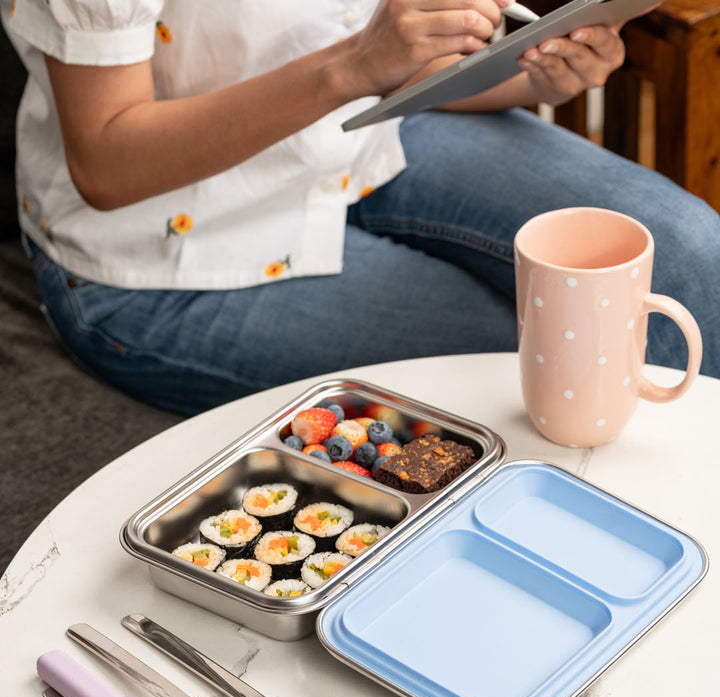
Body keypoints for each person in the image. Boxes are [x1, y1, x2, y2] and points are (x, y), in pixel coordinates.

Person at [3, 0, 719, 416]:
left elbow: (390, 69)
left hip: (365, 141)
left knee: (690, 250)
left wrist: (537, 74)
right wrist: (351, 66)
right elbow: (104, 162)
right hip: (163, 255)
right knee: (562, 360)